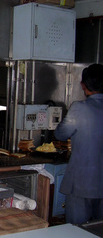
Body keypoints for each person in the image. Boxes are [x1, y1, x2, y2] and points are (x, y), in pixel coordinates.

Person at [54, 63, 103, 225]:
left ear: (84, 85)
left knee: (76, 231)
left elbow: (61, 134)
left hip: (82, 184)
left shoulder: (80, 108)